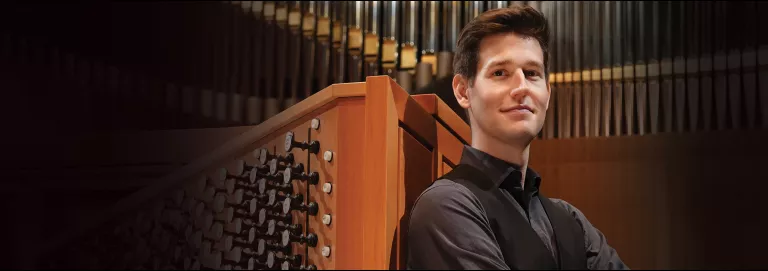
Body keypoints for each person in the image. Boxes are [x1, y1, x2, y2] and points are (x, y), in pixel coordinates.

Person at [406, 5, 628, 270]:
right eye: (500, 73)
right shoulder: (446, 205)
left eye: (532, 73)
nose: (521, 87)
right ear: (464, 91)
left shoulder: (572, 221)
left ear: (546, 91)